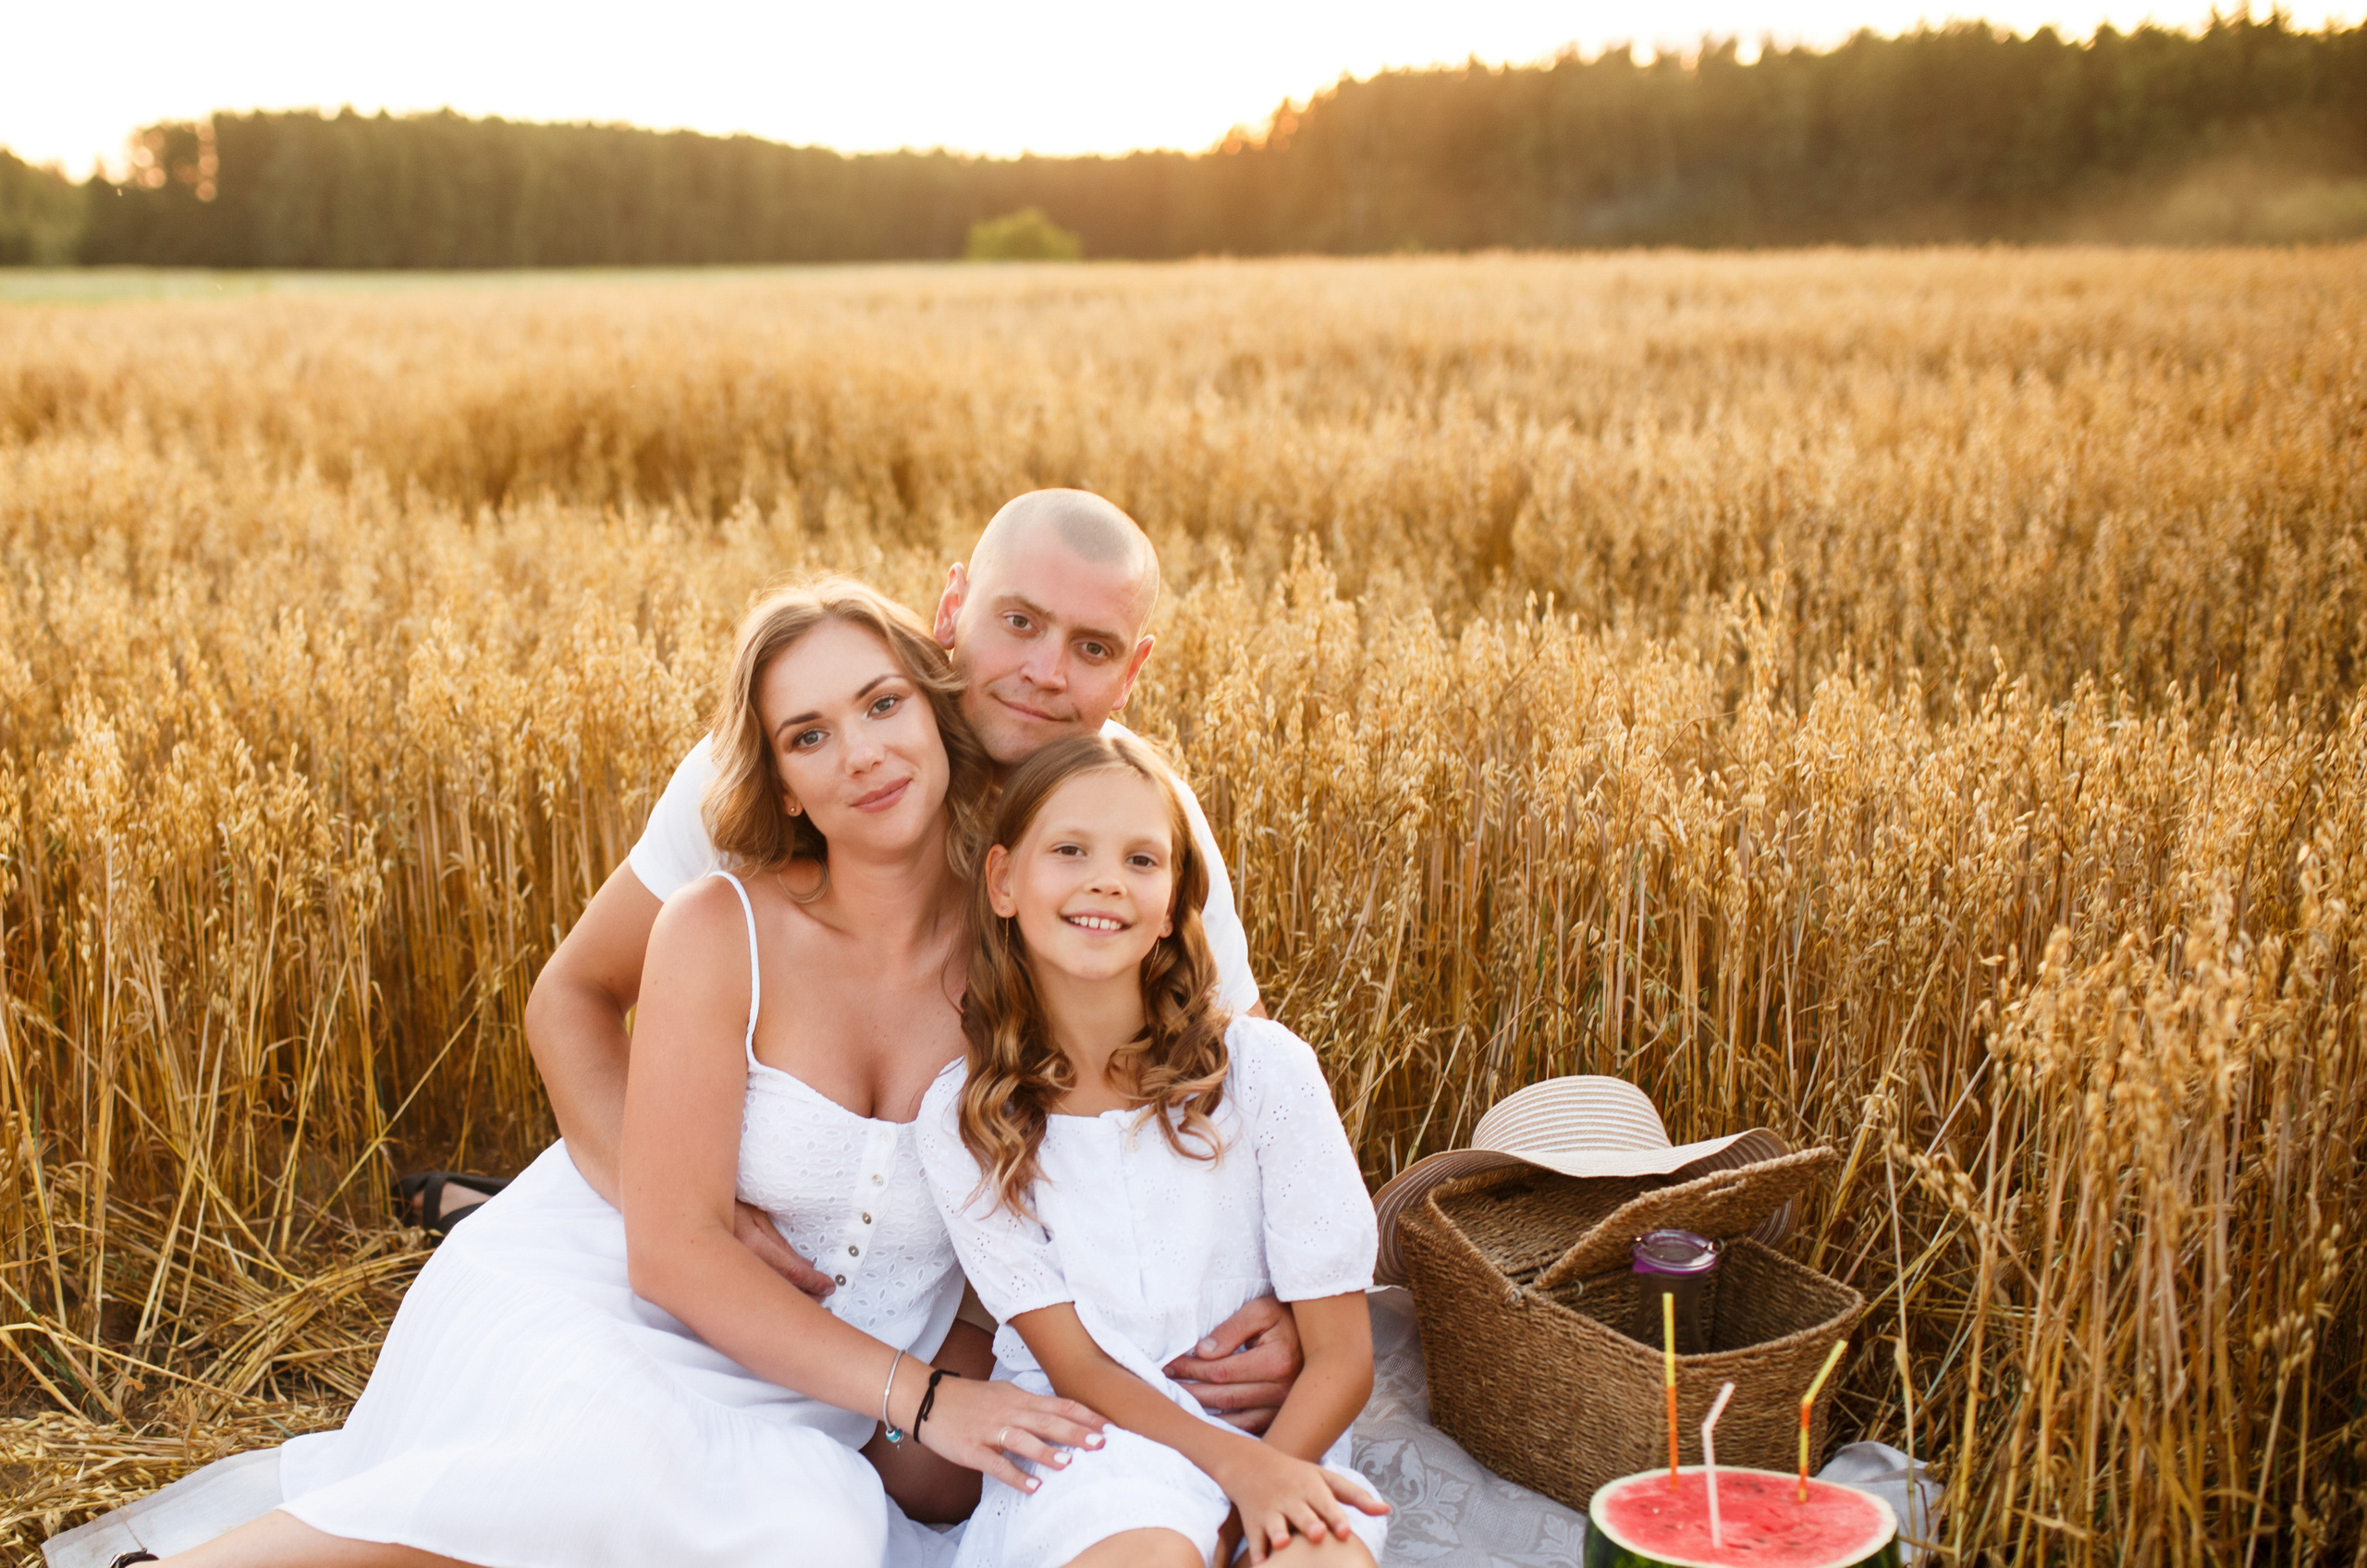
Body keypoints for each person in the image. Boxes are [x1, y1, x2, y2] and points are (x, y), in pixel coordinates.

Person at [156, 582, 1104, 1568]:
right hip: (604, 1297)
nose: (861, 752)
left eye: (881, 703)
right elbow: (672, 1252)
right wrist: (927, 1398)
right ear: (780, 782)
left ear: (936, 712)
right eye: (808, 736)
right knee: (598, 1456)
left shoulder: (1028, 957)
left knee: (813, 1534)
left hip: (812, 1394)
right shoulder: (718, 925)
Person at [515, 489, 1301, 1431]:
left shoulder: (1132, 825)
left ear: (1131, 672)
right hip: (673, 1274)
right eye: (1016, 622)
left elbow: (1245, 1071)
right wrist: (687, 1211)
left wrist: (1294, 1294)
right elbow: (573, 995)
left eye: (1091, 648)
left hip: (903, 1321)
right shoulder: (794, 757)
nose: (1044, 672)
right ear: (950, 608)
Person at [915, 733, 1392, 1568]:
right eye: (1070, 851)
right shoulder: (967, 1116)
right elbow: (1077, 1367)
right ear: (1002, 882)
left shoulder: (1264, 1073)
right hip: (1097, 1448)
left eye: (1142, 860)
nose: (1106, 879)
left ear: (1171, 904)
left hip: (1281, 1434)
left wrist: (1258, 1498)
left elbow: (1344, 1356)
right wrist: (1224, 1503)